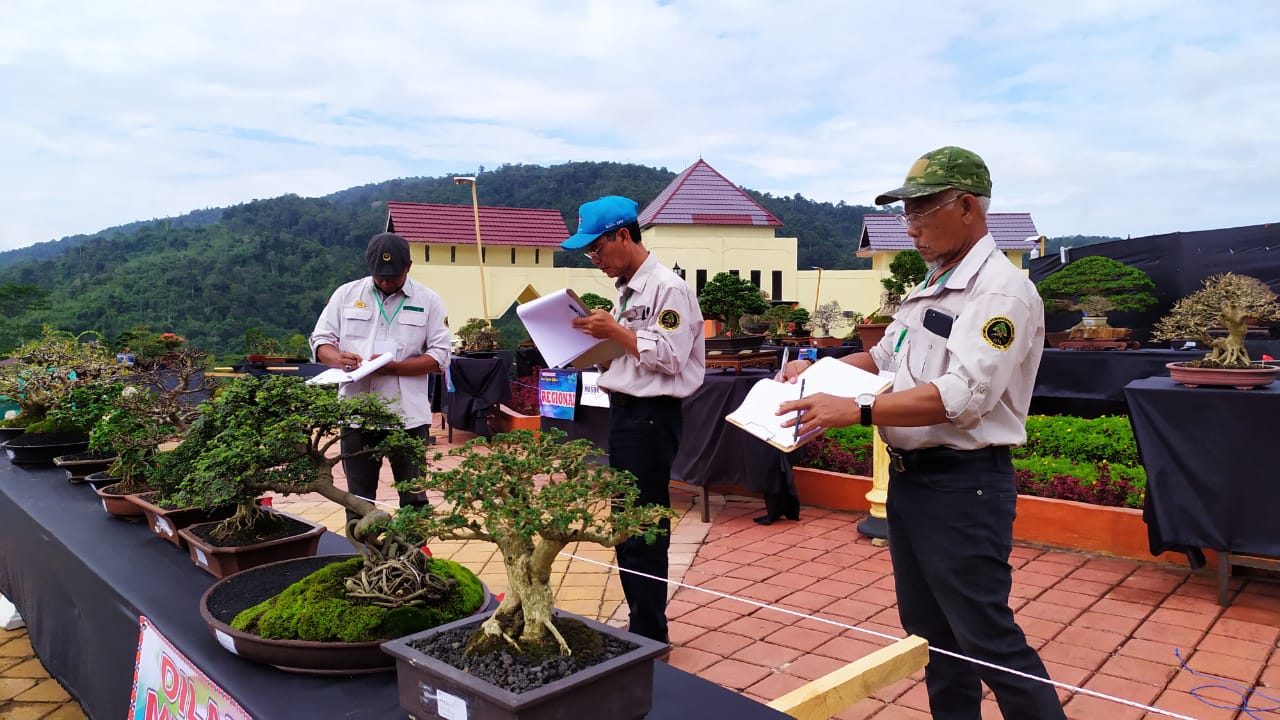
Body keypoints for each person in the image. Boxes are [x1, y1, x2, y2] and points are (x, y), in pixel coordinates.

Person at [777, 147, 1065, 719]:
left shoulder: (998, 292)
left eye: (920, 212)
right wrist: (819, 366)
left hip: (963, 487)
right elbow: (885, 356)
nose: (909, 227)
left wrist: (856, 412)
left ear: (966, 207)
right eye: (905, 214)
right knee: (933, 637)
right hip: (914, 485)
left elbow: (962, 397)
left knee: (987, 637)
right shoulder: (936, 280)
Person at [560, 195, 706, 644]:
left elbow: (670, 356)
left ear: (623, 235)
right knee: (627, 520)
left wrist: (615, 333)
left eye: (597, 249)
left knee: (642, 523)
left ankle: (649, 631)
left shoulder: (668, 288)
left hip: (650, 418)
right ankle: (640, 622)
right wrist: (595, 348)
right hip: (626, 414)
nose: (595, 260)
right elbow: (630, 357)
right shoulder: (627, 291)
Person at [310, 231, 452, 521]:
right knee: (359, 500)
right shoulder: (346, 294)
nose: (385, 283)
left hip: (408, 418)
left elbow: (440, 356)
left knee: (414, 498)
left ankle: (414, 560)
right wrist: (337, 358)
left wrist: (395, 367)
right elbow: (321, 340)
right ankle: (366, 557)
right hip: (357, 416)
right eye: (379, 277)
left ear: (409, 267)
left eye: (392, 277)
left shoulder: (429, 300)